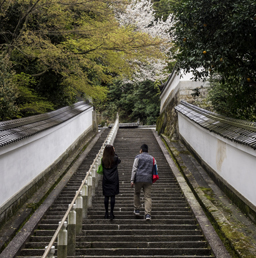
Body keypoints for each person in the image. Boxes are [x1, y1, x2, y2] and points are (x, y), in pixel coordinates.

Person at [131, 144, 157, 220]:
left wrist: (132, 180)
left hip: (139, 178)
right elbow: (155, 169)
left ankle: (137, 210)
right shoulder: (152, 158)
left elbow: (134, 169)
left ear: (141, 150)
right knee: (148, 197)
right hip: (148, 179)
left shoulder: (138, 157)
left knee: (137, 193)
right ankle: (148, 214)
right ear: (148, 151)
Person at [102, 145, 121, 220]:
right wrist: (114, 153)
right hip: (114, 179)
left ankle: (106, 213)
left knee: (106, 196)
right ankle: (111, 213)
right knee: (112, 196)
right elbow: (119, 161)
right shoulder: (115, 158)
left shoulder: (103, 159)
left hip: (106, 179)